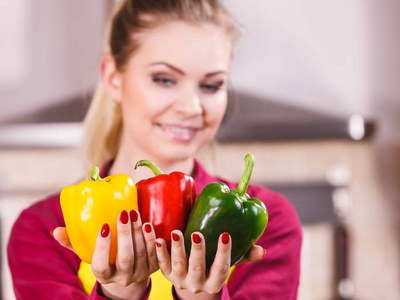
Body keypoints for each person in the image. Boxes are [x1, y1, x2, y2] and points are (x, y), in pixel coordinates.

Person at [7, 0, 302, 299]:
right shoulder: (43, 230)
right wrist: (118, 295)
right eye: (164, 79)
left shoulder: (266, 222)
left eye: (211, 86)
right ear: (113, 78)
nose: (191, 108)